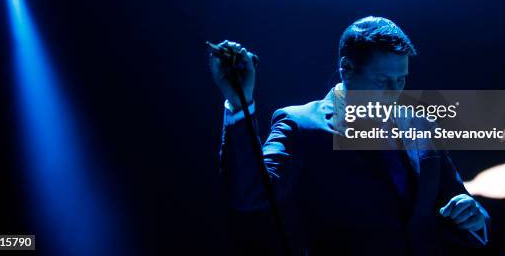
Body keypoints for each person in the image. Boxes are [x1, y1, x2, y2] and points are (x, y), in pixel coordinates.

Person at [210, 16, 490, 255]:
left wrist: (473, 215)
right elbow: (250, 193)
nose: (395, 92)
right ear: (346, 69)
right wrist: (240, 104)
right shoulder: (301, 124)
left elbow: (458, 205)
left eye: (401, 79)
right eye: (382, 80)